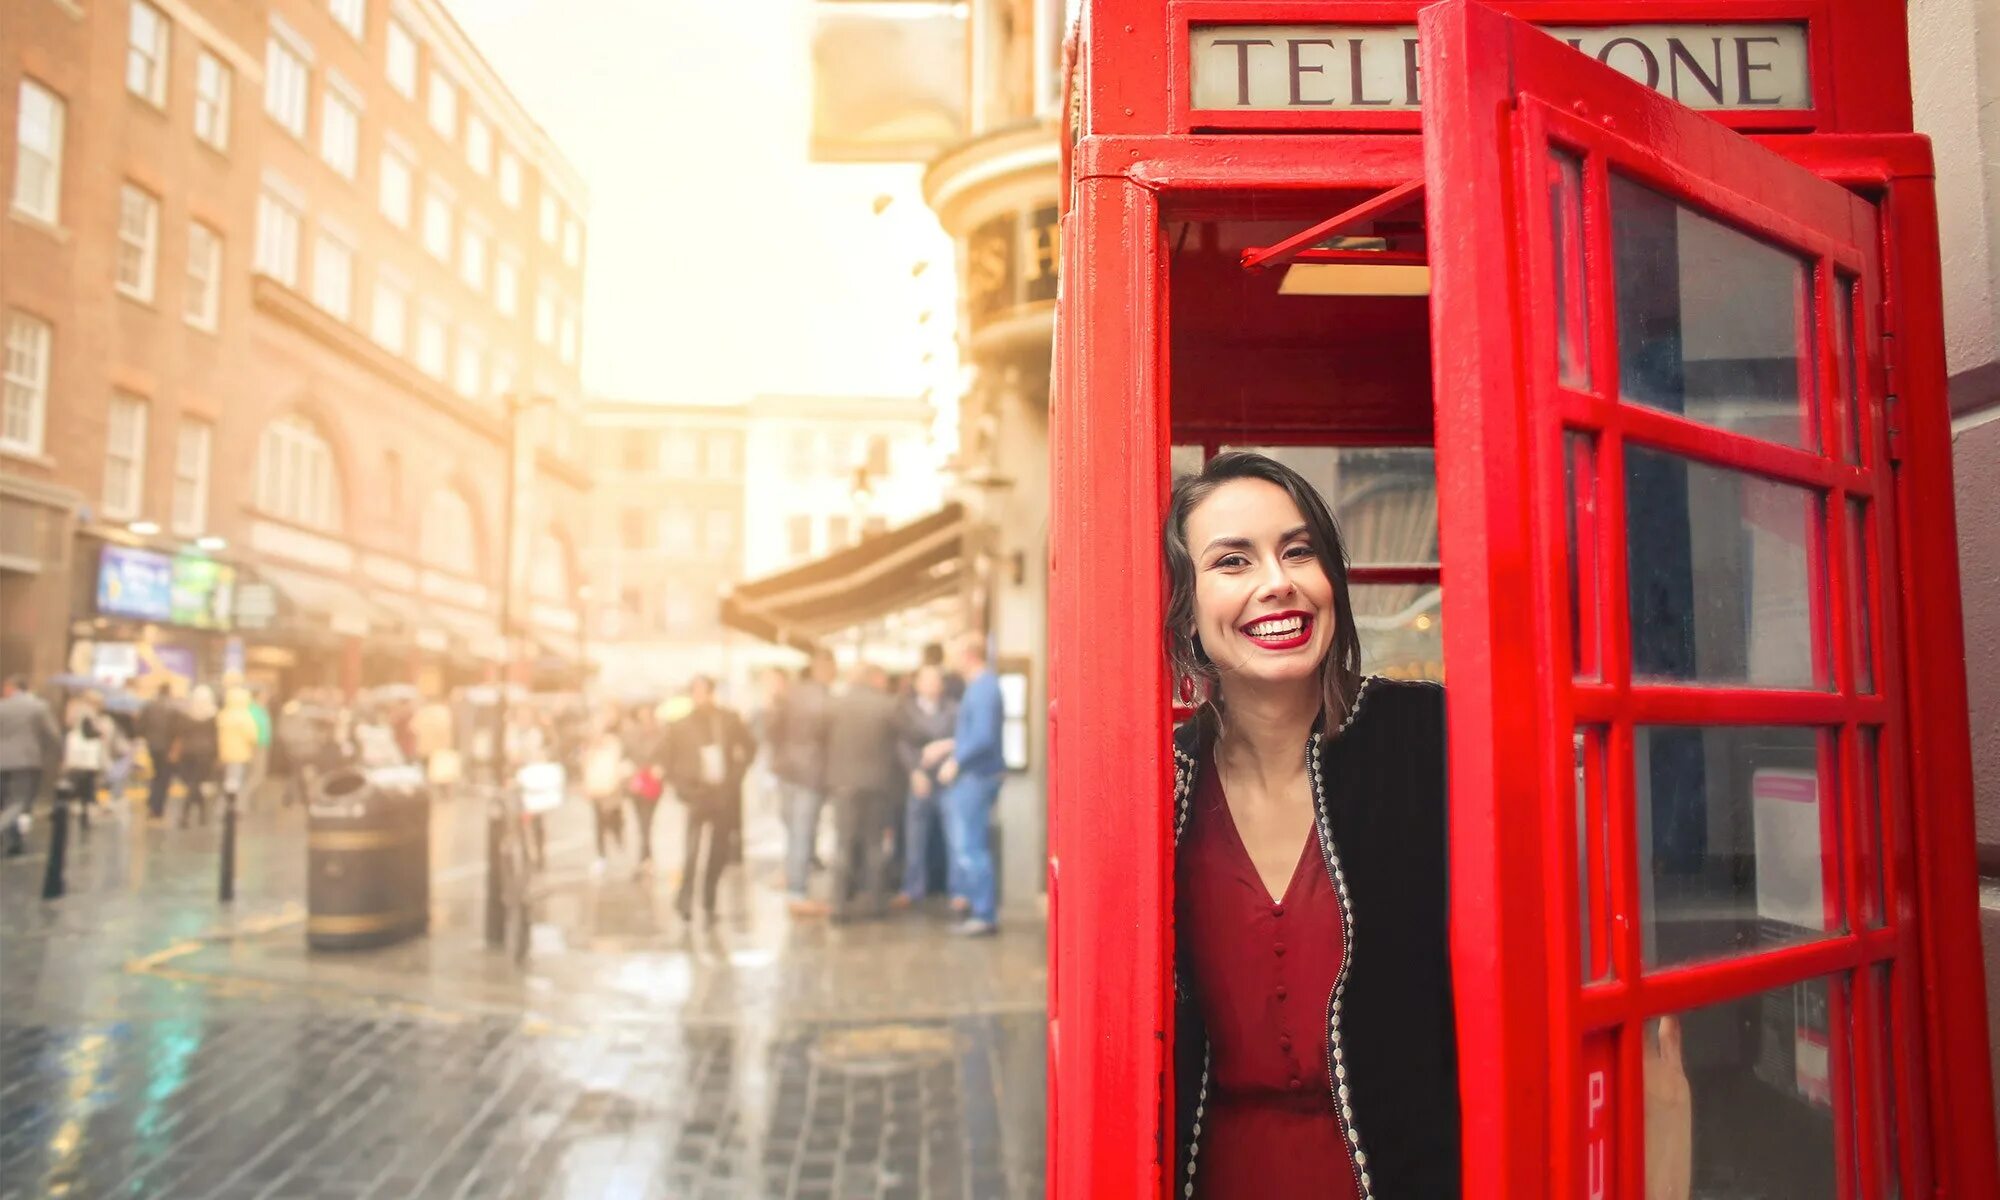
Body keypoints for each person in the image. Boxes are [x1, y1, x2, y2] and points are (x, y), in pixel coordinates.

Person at [663, 677, 756, 924]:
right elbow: (668, 759)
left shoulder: (727, 719)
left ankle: (709, 899)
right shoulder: (680, 725)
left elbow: (748, 747)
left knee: (718, 850)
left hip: (722, 792)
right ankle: (685, 899)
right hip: (696, 793)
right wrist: (681, 786)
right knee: (692, 850)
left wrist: (735, 776)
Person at [822, 664, 903, 922]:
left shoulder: (834, 705)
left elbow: (821, 739)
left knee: (843, 843)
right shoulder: (887, 705)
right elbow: (902, 737)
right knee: (874, 844)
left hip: (843, 784)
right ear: (873, 680)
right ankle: (877, 902)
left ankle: (838, 904)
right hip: (877, 783)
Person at [940, 632, 1005, 937]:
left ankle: (984, 913)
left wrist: (956, 761)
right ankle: (972, 903)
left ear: (968, 655)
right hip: (978, 775)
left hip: (975, 777)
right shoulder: (981, 687)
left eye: (954, 654)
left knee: (971, 846)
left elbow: (982, 737)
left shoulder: (982, 688)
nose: (950, 661)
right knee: (968, 843)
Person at [769, 649, 836, 914]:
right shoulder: (827, 700)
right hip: (812, 773)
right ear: (826, 668)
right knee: (802, 832)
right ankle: (797, 891)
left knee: (793, 829)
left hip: (787, 770)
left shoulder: (791, 694)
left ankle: (792, 878)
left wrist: (780, 756)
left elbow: (772, 728)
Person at [893, 663, 958, 908]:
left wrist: (949, 755)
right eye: (927, 679)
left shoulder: (953, 709)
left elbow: (963, 736)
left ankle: (956, 890)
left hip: (947, 779)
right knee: (914, 837)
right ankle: (912, 887)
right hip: (919, 779)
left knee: (954, 837)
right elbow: (902, 744)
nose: (932, 684)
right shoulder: (905, 711)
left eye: (936, 679)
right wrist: (914, 771)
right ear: (917, 684)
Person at [0, 675, 60, 854]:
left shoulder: (2, 706)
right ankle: (5, 830)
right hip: (27, 760)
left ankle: (14, 841)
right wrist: (55, 756)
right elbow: (53, 734)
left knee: (5, 802)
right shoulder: (39, 706)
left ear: (12, 688)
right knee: (19, 802)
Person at [580, 708, 628, 876]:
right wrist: (585, 785)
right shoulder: (588, 748)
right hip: (596, 788)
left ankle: (619, 845)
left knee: (613, 819)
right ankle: (601, 855)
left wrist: (616, 784)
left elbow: (616, 763)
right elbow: (585, 767)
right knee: (599, 822)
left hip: (611, 787)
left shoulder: (613, 743)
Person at [59, 691, 112, 831]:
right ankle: (81, 811)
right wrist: (100, 733)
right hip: (85, 757)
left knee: (76, 782)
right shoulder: (87, 714)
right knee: (85, 784)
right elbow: (88, 733)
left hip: (77, 756)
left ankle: (75, 808)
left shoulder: (75, 710)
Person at [173, 686, 221, 827]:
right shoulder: (213, 716)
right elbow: (215, 737)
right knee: (196, 783)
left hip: (188, 753)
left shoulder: (186, 715)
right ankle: (196, 814)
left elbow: (181, 733)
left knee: (193, 783)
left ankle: (193, 814)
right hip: (205, 753)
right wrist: (217, 755)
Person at [137, 682, 181, 820]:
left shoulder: (149, 706)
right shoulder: (173, 708)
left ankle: (152, 801)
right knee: (164, 776)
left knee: (156, 774)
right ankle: (158, 807)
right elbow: (177, 731)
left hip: (153, 745)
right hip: (166, 747)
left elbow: (140, 726)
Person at [216, 687, 260, 810]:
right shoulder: (245, 716)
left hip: (223, 754)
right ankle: (235, 807)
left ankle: (222, 807)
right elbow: (252, 736)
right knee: (236, 781)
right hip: (240, 754)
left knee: (225, 781)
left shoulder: (223, 715)